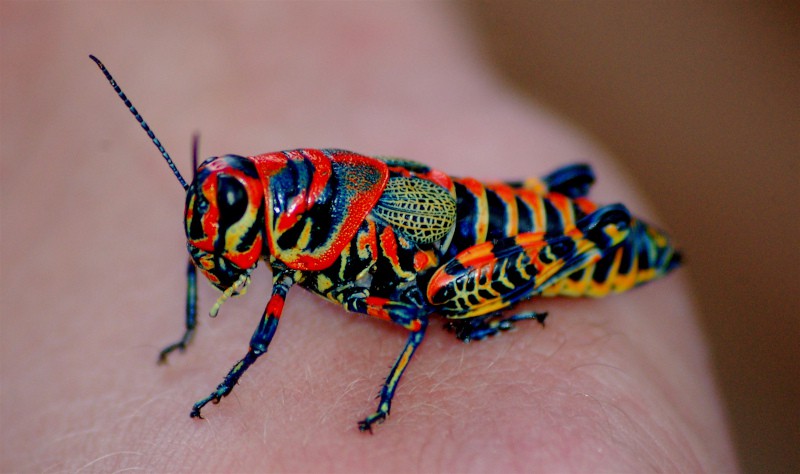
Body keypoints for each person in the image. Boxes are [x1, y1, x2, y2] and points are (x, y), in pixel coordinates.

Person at [1, 3, 736, 471]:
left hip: (497, 242)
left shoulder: (330, 228)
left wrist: (373, 405)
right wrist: (189, 336)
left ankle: (581, 256)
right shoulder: (287, 222)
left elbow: (401, 322)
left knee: (439, 302)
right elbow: (212, 262)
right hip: (455, 211)